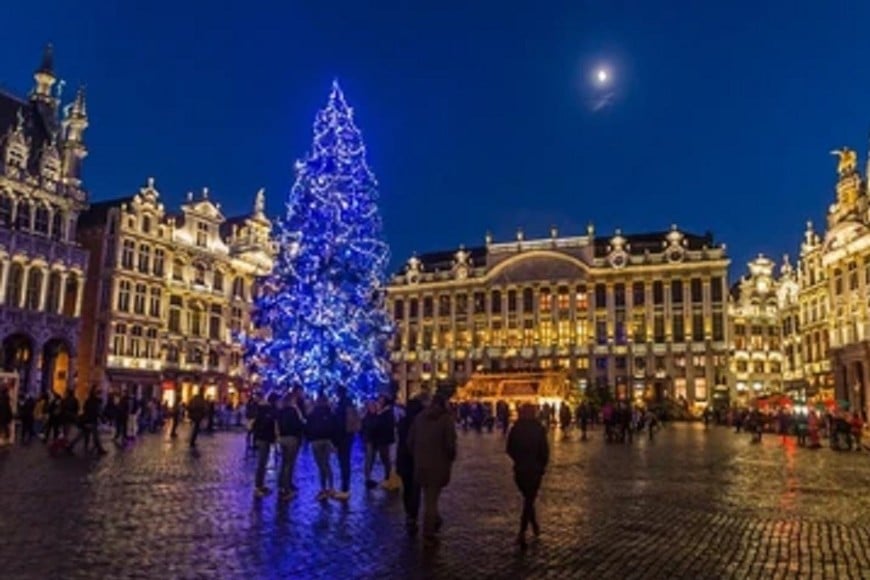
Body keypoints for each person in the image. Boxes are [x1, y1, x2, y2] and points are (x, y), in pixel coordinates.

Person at [408, 392, 457, 545]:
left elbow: (410, 442)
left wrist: (417, 456)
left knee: (428, 496)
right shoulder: (446, 420)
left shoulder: (419, 418)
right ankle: (428, 533)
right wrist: (450, 457)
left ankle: (435, 520)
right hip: (438, 465)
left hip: (421, 464)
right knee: (431, 500)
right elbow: (450, 445)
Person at [506, 403, 549, 549]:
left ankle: (530, 527)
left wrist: (518, 460)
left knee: (528, 498)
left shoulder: (516, 429)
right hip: (534, 469)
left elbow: (509, 448)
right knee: (529, 499)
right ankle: (524, 530)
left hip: (520, 469)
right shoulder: (539, 429)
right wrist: (541, 465)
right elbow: (544, 450)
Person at [397, 395, 426, 535]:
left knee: (407, 489)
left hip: (403, 460)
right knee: (415, 490)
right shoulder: (420, 424)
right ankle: (412, 515)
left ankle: (409, 513)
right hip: (416, 460)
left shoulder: (402, 422)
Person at [277, 387, 306, 500]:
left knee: (284, 463)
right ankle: (286, 488)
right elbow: (299, 423)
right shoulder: (294, 411)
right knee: (290, 463)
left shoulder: (281, 411)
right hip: (292, 438)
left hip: (283, 438)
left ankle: (282, 485)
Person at [332, 385, 360, 501]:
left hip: (342, 437)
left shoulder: (341, 406)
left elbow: (338, 424)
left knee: (343, 462)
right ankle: (345, 487)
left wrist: (335, 439)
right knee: (345, 462)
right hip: (349, 435)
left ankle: (345, 489)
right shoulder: (350, 403)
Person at [306, 392, 336, 500]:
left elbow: (308, 426)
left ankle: (323, 489)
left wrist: (309, 438)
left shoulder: (312, 413)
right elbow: (333, 427)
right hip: (327, 440)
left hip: (316, 441)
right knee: (326, 464)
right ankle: (331, 487)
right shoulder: (330, 412)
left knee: (321, 465)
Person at [252, 393, 279, 497]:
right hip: (264, 438)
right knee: (261, 463)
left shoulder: (263, 410)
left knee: (263, 463)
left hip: (262, 437)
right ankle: (258, 487)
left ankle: (261, 485)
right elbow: (268, 424)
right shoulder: (269, 411)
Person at [68, 387, 107, 456]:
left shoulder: (89, 400)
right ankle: (100, 449)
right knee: (95, 436)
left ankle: (70, 445)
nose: (101, 395)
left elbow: (85, 409)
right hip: (92, 421)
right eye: (100, 394)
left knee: (82, 435)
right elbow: (97, 412)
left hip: (87, 420)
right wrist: (103, 419)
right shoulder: (96, 402)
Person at [373, 394, 397, 490]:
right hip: (383, 438)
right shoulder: (384, 412)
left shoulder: (386, 413)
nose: (379, 403)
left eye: (381, 401)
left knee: (386, 459)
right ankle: (387, 477)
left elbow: (384, 425)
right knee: (385, 459)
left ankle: (388, 478)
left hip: (385, 439)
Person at [361, 399, 379, 489]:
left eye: (373, 406)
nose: (372, 408)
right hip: (368, 440)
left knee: (372, 460)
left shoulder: (377, 417)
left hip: (374, 441)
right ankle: (367, 478)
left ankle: (369, 477)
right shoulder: (366, 418)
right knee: (369, 459)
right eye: (371, 407)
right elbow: (362, 429)